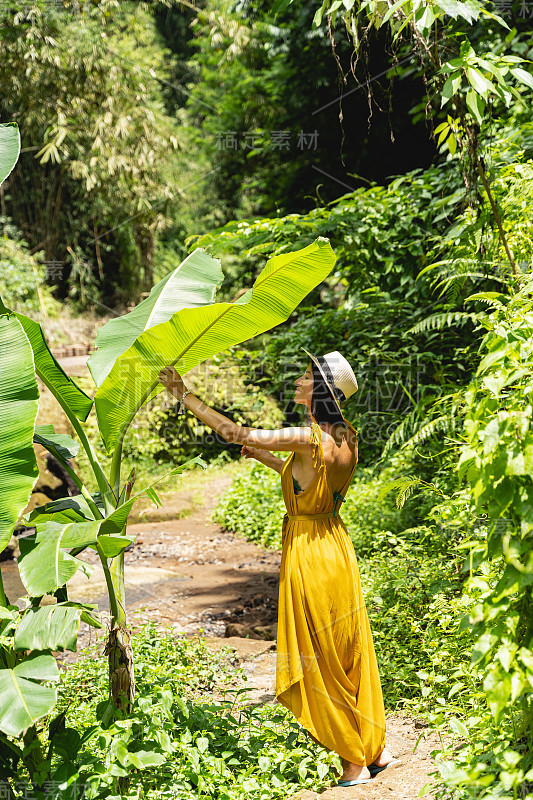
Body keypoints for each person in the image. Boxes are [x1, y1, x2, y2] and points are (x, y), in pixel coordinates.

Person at [158, 348, 399, 787]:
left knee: (321, 656)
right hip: (336, 547)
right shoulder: (346, 436)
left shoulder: (306, 436)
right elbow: (307, 479)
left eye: (305, 378)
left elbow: (232, 430)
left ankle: (353, 760)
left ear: (320, 391)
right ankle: (375, 747)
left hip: (309, 550)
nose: (296, 383)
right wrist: (265, 457)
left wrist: (184, 394)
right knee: (346, 649)